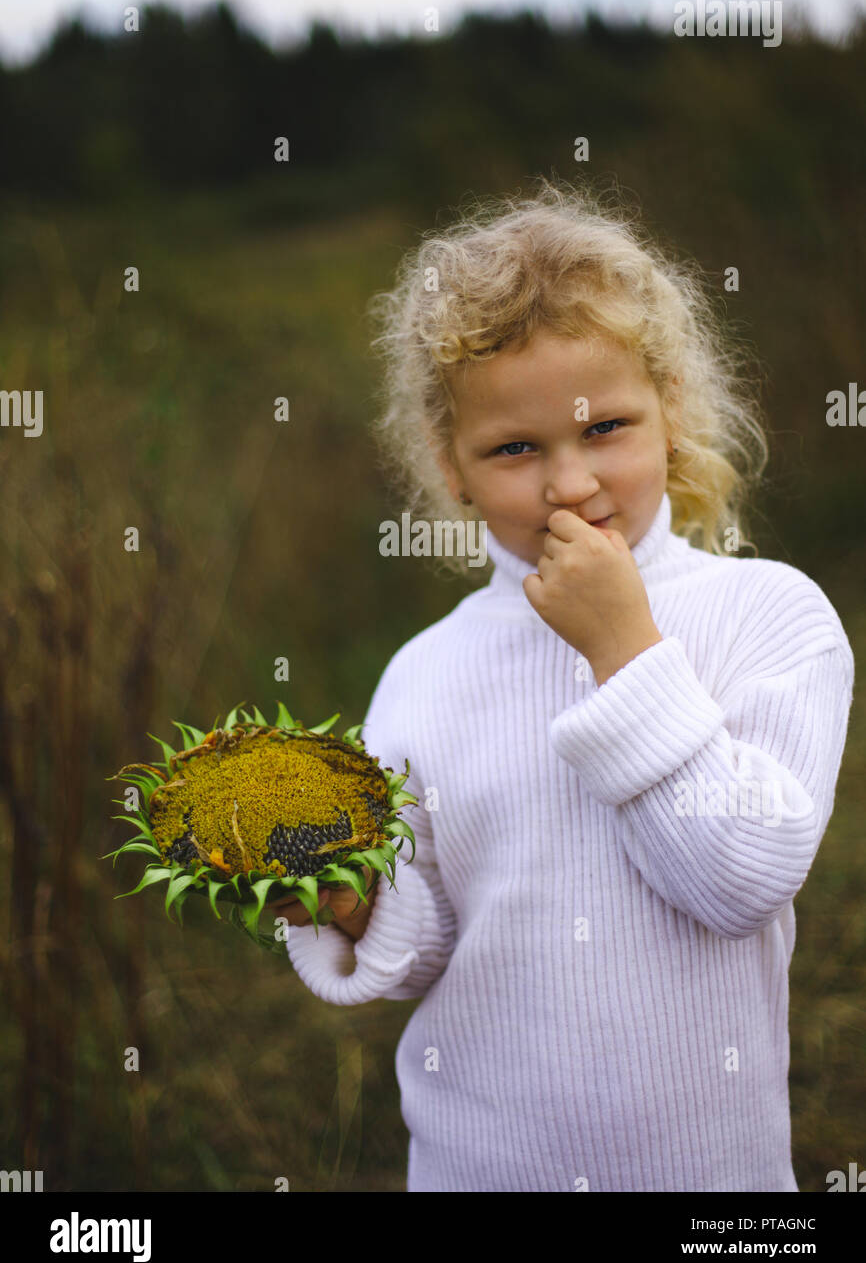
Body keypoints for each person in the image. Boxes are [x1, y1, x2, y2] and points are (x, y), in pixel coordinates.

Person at [269, 176, 854, 1192]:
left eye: (604, 429)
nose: (568, 483)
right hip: (477, 1168)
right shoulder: (424, 673)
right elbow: (425, 945)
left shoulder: (770, 616)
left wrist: (622, 648)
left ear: (668, 409)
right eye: (512, 449)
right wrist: (351, 903)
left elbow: (739, 879)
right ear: (449, 468)